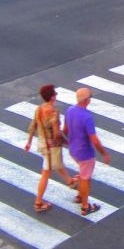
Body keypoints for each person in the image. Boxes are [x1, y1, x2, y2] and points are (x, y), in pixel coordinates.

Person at [23, 84, 77, 213]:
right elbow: (57, 133)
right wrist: (68, 142)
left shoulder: (39, 109)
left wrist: (29, 142)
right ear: (52, 96)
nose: (56, 95)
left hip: (42, 143)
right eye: (55, 93)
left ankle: (69, 181)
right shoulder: (53, 112)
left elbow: (33, 126)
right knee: (46, 173)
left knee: (55, 165)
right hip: (52, 146)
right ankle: (38, 202)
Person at [62, 87, 110, 217]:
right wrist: (104, 153)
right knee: (85, 178)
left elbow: (65, 130)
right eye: (91, 96)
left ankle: (79, 196)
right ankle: (85, 206)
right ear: (87, 100)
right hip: (85, 153)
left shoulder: (70, 110)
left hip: (73, 150)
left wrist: (68, 142)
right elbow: (94, 140)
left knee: (83, 173)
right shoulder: (87, 117)